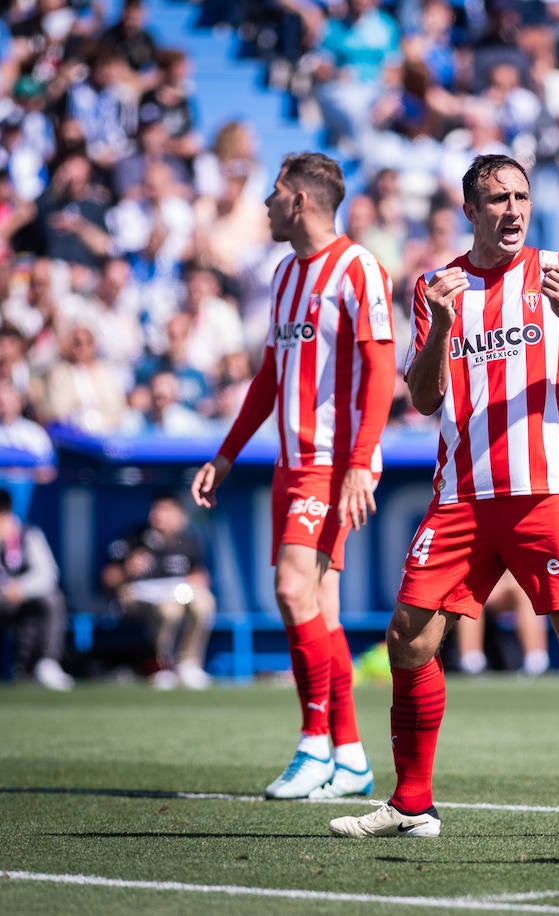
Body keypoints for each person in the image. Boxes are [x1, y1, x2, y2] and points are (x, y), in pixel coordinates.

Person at [328, 154, 559, 842]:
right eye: (497, 199)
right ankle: (413, 803)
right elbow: (421, 400)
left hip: (548, 491)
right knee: (410, 635)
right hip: (463, 495)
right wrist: (442, 327)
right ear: (470, 212)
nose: (512, 209)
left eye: (520, 197)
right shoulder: (437, 287)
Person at [190, 152, 398, 800]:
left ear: (300, 200)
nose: (265, 204)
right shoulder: (284, 275)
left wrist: (362, 460)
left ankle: (313, 744)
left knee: (289, 591)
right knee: (319, 613)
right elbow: (271, 378)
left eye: (274, 193)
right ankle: (354, 758)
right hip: (288, 463)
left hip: (331, 463)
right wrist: (225, 454)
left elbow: (382, 371)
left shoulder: (359, 268)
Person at [0, 487, 74, 692]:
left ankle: (47, 663)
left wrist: (22, 587)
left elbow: (49, 574)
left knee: (54, 598)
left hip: (24, 598)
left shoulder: (29, 534)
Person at [101, 492, 217, 690]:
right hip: (137, 597)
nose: (158, 516)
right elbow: (108, 578)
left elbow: (201, 575)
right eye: (156, 510)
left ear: (180, 515)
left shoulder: (188, 541)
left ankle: (189, 663)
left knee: (204, 602)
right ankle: (162, 665)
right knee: (169, 610)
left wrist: (193, 582)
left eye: (165, 511)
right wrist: (127, 569)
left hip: (177, 594)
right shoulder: (134, 538)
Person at [453, 570, 550, 676]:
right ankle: (472, 662)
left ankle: (536, 662)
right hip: (473, 585)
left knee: (525, 590)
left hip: (505, 586)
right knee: (469, 593)